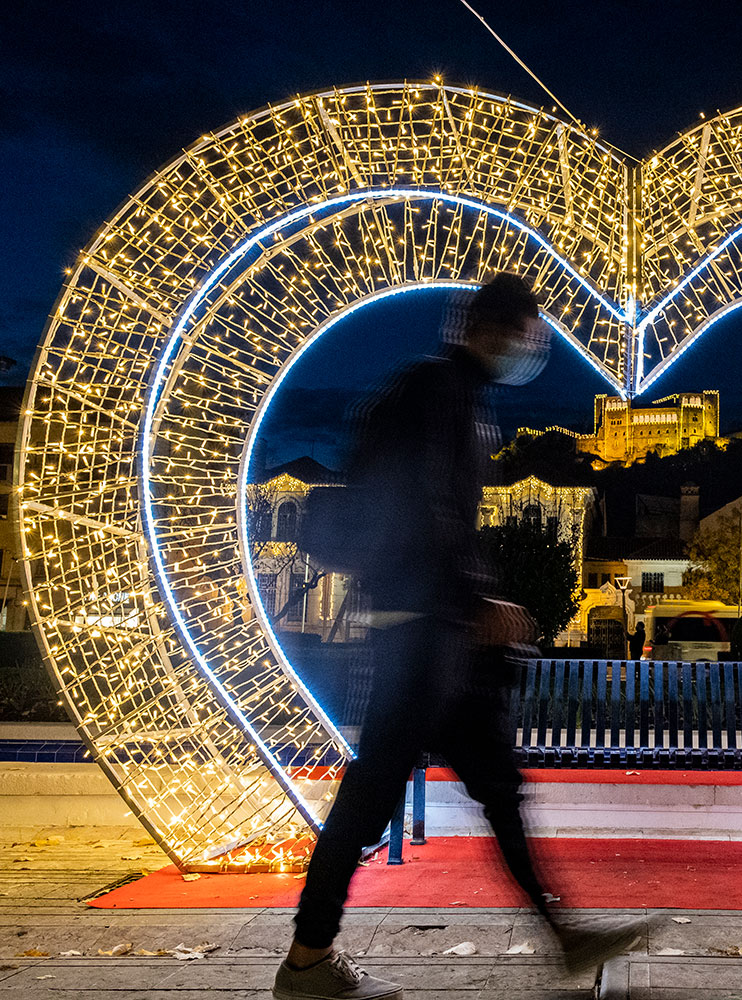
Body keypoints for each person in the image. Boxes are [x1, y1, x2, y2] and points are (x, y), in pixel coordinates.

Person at [275, 275, 644, 1000]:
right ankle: (307, 961)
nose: (533, 350)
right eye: (529, 335)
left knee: (498, 789)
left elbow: (445, 514)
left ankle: (565, 936)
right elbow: (429, 508)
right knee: (372, 799)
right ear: (492, 329)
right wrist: (474, 599)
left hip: (440, 632)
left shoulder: (455, 397)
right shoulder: (437, 392)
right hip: (419, 632)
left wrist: (477, 602)